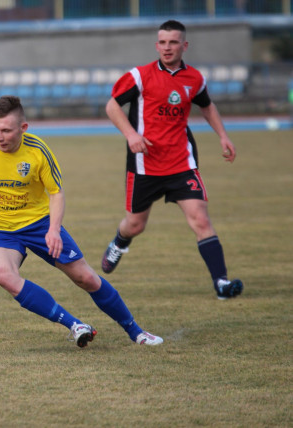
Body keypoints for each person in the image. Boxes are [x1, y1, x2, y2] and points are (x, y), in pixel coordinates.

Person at [0, 95, 162, 348]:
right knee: (4, 276)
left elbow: (56, 192)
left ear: (23, 128)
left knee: (85, 278)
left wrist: (53, 230)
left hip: (40, 224)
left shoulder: (38, 151)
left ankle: (137, 332)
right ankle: (75, 325)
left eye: (6, 130)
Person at [101, 20, 243, 300]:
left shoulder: (195, 79)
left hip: (181, 163)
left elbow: (207, 106)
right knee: (135, 225)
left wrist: (223, 136)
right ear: (157, 45)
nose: (167, 47)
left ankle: (221, 283)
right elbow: (112, 105)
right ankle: (119, 242)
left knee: (200, 220)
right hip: (145, 164)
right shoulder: (139, 76)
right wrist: (131, 135)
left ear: (184, 45)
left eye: (173, 42)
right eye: (163, 42)